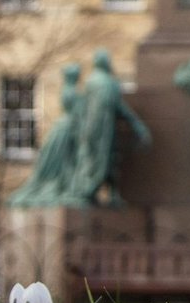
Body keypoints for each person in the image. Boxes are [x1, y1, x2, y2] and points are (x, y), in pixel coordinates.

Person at [72, 49, 151, 207]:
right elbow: (117, 107)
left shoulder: (94, 83)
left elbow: (86, 108)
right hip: (101, 131)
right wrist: (137, 124)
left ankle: (105, 193)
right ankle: (93, 192)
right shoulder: (106, 83)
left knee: (105, 160)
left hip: (97, 131)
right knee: (103, 160)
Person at [8, 63, 83, 207]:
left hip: (65, 128)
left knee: (61, 163)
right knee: (63, 163)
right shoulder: (72, 91)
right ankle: (62, 186)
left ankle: (64, 185)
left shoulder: (68, 89)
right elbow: (78, 113)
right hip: (68, 129)